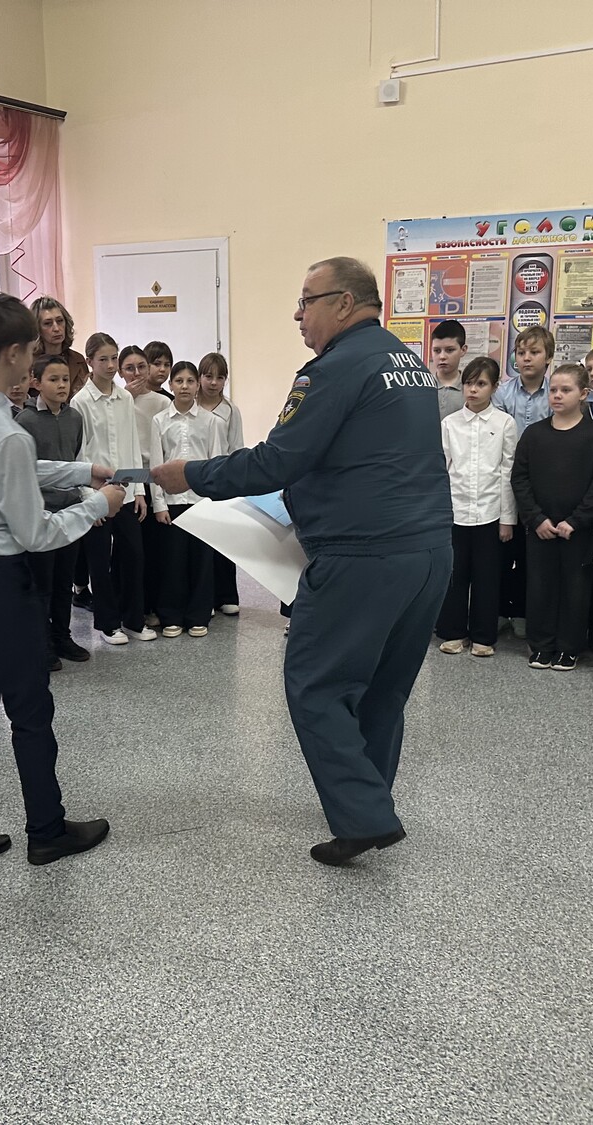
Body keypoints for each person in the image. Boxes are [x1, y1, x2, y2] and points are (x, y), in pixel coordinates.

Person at [151, 256, 453, 867]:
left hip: (362, 555)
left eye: (306, 301)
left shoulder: (334, 368)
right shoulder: (409, 364)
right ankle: (367, 802)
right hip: (428, 549)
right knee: (383, 688)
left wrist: (192, 475)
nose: (297, 314)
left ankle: (363, 815)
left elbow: (277, 460)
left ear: (344, 303)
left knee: (316, 683)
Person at [0, 292, 125, 875]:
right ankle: (47, 831)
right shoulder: (6, 430)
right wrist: (99, 504)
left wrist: (85, 471)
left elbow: (11, 469)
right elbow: (36, 533)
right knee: (30, 708)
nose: (36, 360)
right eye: (33, 350)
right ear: (13, 352)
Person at [512, 363, 593, 672]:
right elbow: (520, 478)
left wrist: (576, 521)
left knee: (576, 589)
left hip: (578, 529)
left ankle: (569, 647)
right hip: (540, 527)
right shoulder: (534, 434)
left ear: (583, 394)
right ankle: (541, 645)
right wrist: (536, 519)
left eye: (565, 390)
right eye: (553, 389)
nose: (557, 395)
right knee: (540, 587)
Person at [71, 332, 152, 645]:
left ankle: (133, 620)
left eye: (113, 358)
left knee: (134, 556)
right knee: (99, 561)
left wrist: (140, 491)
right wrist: (88, 500)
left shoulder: (125, 398)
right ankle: (108, 624)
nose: (110, 365)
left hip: (127, 492)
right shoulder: (80, 402)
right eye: (102, 359)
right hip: (97, 495)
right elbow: (80, 455)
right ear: (89, 362)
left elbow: (132, 445)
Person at [436, 356, 516, 658]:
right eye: (468, 383)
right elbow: (442, 471)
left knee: (487, 577)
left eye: (481, 384)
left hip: (490, 513)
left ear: (494, 387)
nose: (472, 390)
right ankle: (453, 632)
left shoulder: (505, 423)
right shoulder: (449, 424)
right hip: (455, 513)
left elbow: (507, 472)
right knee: (454, 575)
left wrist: (507, 519)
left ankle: (483, 636)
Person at [17, 354, 91, 670]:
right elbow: (26, 471)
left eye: (65, 379)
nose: (62, 385)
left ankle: (62, 636)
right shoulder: (25, 421)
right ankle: (40, 642)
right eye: (54, 379)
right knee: (41, 583)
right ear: (36, 383)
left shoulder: (75, 417)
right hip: (41, 513)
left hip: (69, 510)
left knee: (64, 580)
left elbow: (75, 459)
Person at [148, 359, 227, 638]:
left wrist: (214, 504)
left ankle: (198, 616)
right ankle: (171, 616)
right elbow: (156, 465)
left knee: (201, 562)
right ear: (171, 385)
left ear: (197, 386)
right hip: (171, 504)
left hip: (200, 503)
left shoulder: (211, 422)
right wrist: (159, 504)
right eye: (179, 381)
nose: (184, 386)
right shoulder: (159, 421)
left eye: (190, 381)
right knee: (173, 563)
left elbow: (216, 463)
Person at [493, 325, 555, 640]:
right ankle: (500, 609)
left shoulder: (555, 393)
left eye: (534, 352)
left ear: (548, 358)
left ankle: (522, 611)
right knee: (504, 549)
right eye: (521, 353)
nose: (526, 358)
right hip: (506, 478)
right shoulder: (503, 393)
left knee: (532, 555)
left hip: (542, 481)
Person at [195, 351, 244, 616]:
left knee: (222, 540)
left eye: (220, 377)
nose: (214, 383)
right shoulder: (190, 405)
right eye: (208, 376)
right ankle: (203, 596)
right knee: (199, 542)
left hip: (221, 480)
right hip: (193, 480)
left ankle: (225, 595)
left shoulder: (230, 410)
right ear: (199, 377)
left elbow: (236, 447)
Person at [121, 344, 165, 624]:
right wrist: (127, 396)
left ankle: (155, 606)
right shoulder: (119, 400)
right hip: (128, 479)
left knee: (155, 547)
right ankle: (133, 608)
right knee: (131, 551)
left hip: (154, 477)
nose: (136, 373)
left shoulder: (162, 402)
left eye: (141, 367)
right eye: (129, 368)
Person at [29, 296, 90, 394]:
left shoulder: (77, 359)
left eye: (60, 321)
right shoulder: (27, 363)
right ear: (37, 329)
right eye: (48, 323)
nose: (56, 328)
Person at [427, 318, 468, 423]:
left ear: (463, 350)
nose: (442, 356)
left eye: (449, 350)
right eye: (437, 350)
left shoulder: (470, 388)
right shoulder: (423, 386)